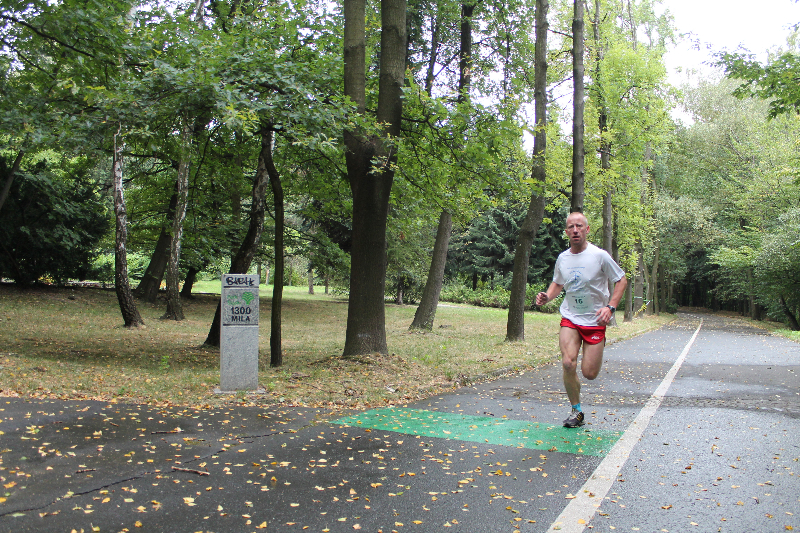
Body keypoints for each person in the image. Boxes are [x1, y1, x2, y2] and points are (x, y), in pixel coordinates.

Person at [535, 212, 627, 428]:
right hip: (571, 317)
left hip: (595, 320)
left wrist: (610, 307)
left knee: (589, 373)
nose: (575, 230)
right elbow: (558, 283)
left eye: (579, 226)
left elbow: (621, 280)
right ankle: (576, 411)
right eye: (570, 227)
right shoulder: (563, 258)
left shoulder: (600, 256)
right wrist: (547, 296)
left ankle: (597, 344)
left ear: (587, 230)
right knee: (568, 363)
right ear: (566, 232)